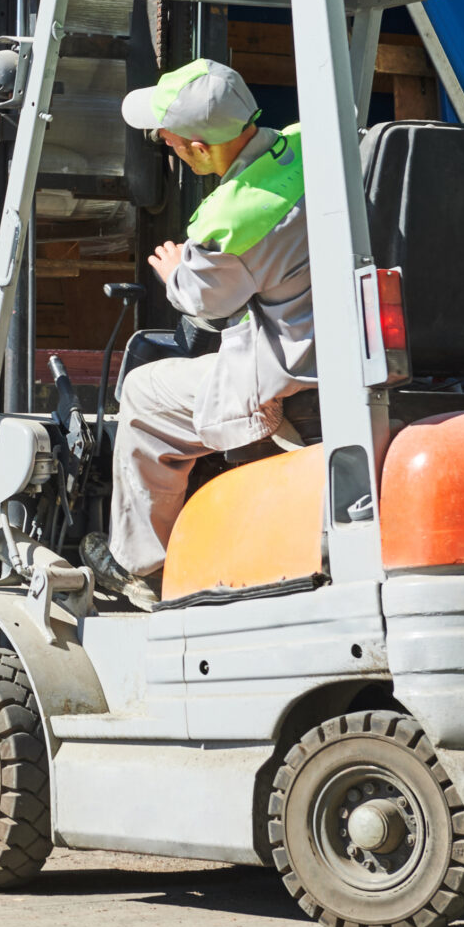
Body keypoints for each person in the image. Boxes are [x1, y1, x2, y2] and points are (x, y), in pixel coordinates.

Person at [83, 59, 316, 608]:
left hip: (297, 370)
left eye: (168, 141)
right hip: (357, 344)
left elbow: (207, 305)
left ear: (196, 148)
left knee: (144, 391)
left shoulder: (232, 218)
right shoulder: (315, 141)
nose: (166, 146)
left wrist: (175, 272)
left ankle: (140, 566)